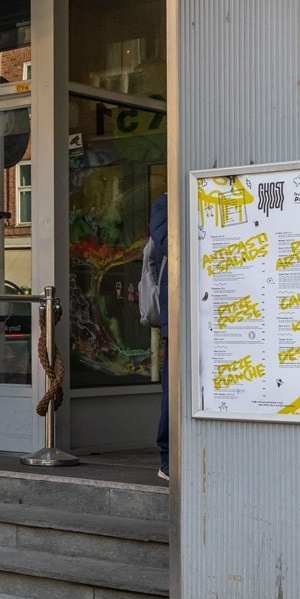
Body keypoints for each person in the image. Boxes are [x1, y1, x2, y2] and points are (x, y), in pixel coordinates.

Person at [147, 192, 169, 482]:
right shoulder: (166, 202)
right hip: (177, 314)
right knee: (173, 389)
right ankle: (168, 459)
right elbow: (168, 245)